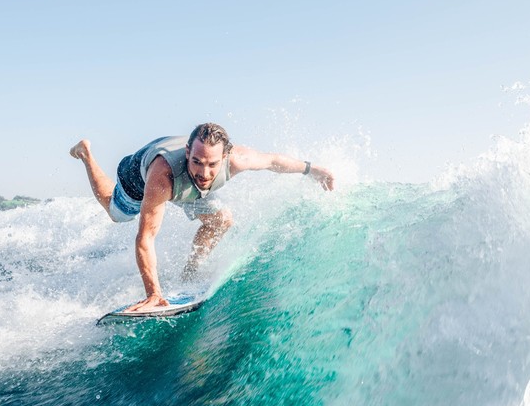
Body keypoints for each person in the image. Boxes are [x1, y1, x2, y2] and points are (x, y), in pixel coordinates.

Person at [70, 123, 335, 312]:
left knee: (222, 219)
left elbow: (273, 161)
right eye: (196, 161)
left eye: (212, 164)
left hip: (187, 188)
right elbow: (145, 238)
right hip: (138, 177)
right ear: (188, 152)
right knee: (116, 213)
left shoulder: (236, 160)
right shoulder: (162, 176)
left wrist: (312, 170)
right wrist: (154, 294)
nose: (204, 172)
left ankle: (190, 271)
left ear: (225, 157)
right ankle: (86, 154)